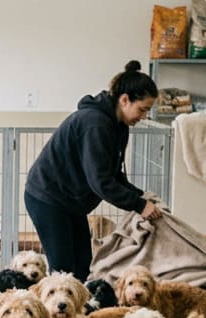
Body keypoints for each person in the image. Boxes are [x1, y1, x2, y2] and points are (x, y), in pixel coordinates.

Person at [25, 60, 163, 282]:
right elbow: (100, 181)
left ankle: (80, 315)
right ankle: (53, 315)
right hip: (48, 197)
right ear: (124, 99)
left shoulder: (119, 126)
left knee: (82, 267)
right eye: (143, 109)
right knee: (63, 271)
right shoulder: (95, 124)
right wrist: (139, 205)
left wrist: (141, 196)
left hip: (71, 201)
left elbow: (114, 175)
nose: (144, 116)